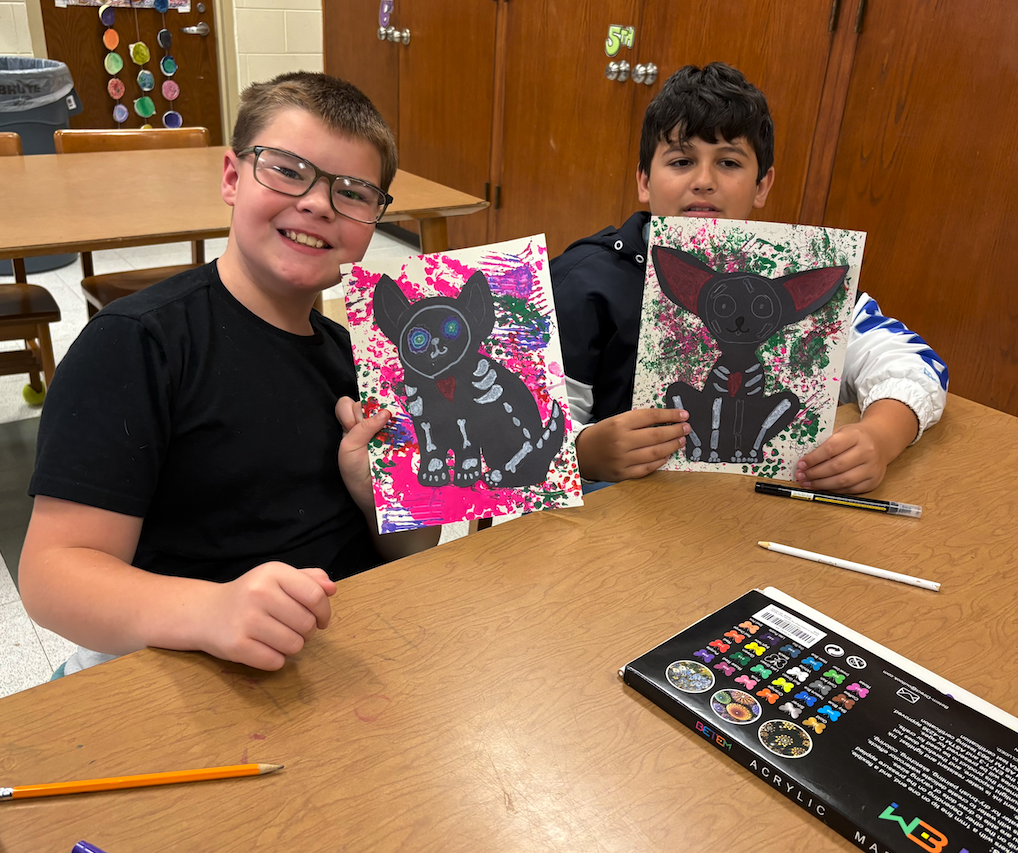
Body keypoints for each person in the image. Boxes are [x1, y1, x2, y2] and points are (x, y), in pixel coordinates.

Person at [19, 72, 439, 674]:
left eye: (353, 192)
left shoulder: (367, 360)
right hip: (186, 672)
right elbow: (51, 576)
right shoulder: (139, 343)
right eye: (288, 171)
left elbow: (413, 549)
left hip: (348, 661)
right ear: (232, 177)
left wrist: (381, 502)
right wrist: (211, 610)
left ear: (374, 220)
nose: (318, 203)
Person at [551, 62, 948, 493]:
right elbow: (519, 431)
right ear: (645, 180)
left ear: (762, 185)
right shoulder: (583, 282)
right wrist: (585, 452)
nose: (704, 181)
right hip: (616, 521)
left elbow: (913, 363)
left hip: (745, 514)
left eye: (728, 162)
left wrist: (880, 436)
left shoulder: (787, 271)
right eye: (682, 160)